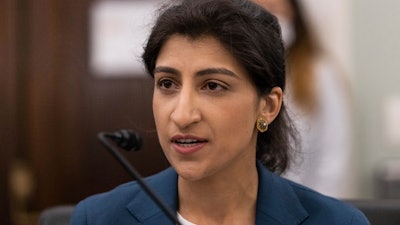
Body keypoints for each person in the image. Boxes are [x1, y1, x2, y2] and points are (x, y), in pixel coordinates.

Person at [70, 0, 369, 224]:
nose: (182, 115)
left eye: (212, 86)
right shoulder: (97, 218)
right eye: (167, 83)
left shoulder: (339, 222)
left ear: (268, 106)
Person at [252, 0, 356, 198]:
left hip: (305, 204)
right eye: (258, 9)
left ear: (296, 16)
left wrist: (317, 210)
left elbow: (333, 155)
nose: (267, 19)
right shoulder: (237, 76)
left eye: (275, 10)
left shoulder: (320, 74)